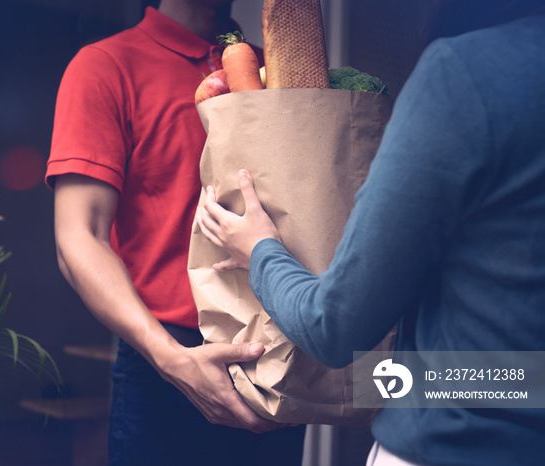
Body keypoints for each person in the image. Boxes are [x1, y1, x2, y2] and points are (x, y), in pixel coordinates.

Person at [196, 1, 545, 465]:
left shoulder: (470, 74)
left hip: (455, 444)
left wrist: (260, 250)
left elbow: (335, 327)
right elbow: (525, 377)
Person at [46, 1, 306, 464]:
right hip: (166, 362)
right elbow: (78, 237)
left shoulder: (279, 69)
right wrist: (170, 359)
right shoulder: (106, 65)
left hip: (277, 350)